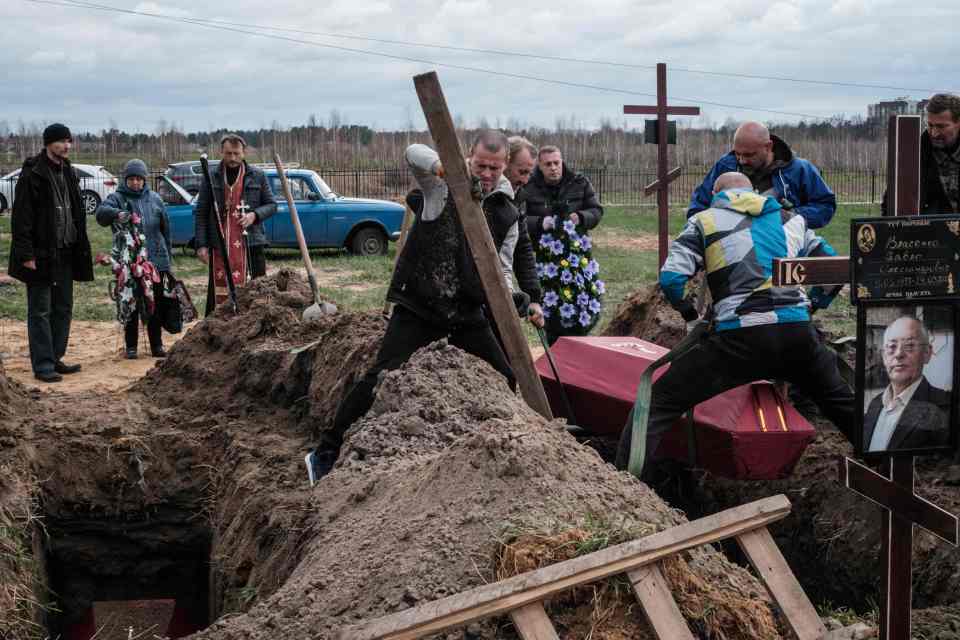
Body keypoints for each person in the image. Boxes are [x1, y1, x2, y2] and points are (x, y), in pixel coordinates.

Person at [306, 130, 539, 484]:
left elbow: (502, 269)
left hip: (465, 313)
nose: (486, 174)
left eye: (494, 167)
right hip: (420, 304)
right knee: (383, 374)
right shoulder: (440, 189)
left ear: (505, 164)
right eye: (480, 165)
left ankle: (494, 454)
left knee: (503, 375)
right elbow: (413, 152)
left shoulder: (507, 212)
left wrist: (513, 296)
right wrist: (445, 170)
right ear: (468, 158)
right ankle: (326, 450)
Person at [616, 172, 854, 477]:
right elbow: (832, 268)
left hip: (739, 340)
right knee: (841, 403)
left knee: (658, 403)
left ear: (717, 193)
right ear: (752, 191)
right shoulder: (791, 219)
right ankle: (888, 460)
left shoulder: (705, 220)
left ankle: (625, 480)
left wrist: (691, 316)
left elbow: (672, 279)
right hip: (797, 336)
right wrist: (814, 306)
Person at [7, 123, 94, 383]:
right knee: (40, 310)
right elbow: (21, 218)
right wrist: (26, 255)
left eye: (69, 141)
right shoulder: (32, 173)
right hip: (41, 254)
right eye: (61, 142)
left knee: (63, 307)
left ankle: (55, 357)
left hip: (66, 252)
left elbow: (76, 210)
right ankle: (43, 365)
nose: (67, 146)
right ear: (48, 143)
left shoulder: (68, 171)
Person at [521, 145, 604, 343]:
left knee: (580, 305)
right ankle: (554, 343)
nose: (553, 168)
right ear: (539, 166)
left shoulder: (579, 182)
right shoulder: (529, 187)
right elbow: (519, 218)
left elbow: (597, 210)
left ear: (562, 161)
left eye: (556, 163)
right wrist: (541, 223)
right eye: (547, 164)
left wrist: (581, 217)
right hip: (545, 258)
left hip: (577, 258)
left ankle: (579, 340)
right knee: (550, 308)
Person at [687, 122, 836, 229]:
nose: (741, 160)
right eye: (737, 153)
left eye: (749, 155)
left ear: (768, 146)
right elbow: (698, 207)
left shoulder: (800, 170)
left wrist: (790, 216)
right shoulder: (726, 166)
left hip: (785, 251)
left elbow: (825, 205)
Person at [96, 159, 173, 359]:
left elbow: (166, 230)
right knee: (131, 302)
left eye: (139, 179)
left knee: (154, 303)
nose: (136, 183)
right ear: (126, 179)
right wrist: (119, 213)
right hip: (129, 262)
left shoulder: (155, 199)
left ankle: (157, 346)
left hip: (156, 261)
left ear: (144, 180)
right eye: (132, 179)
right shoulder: (117, 198)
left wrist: (168, 260)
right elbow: (101, 215)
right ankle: (131, 347)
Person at [194, 133, 277, 312]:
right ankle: (217, 331)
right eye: (228, 153)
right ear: (221, 152)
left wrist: (254, 215)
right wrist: (201, 244)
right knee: (217, 296)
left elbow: (272, 205)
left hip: (251, 243)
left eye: (236, 153)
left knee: (258, 293)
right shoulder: (211, 176)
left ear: (244, 153)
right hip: (219, 244)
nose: (232, 158)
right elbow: (201, 212)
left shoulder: (257, 175)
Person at [863, 316, 950, 452]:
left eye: (909, 346)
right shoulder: (875, 404)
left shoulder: (946, 408)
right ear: (884, 356)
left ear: (927, 353)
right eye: (892, 346)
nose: (898, 354)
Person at [883, 93, 960, 215]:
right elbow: (892, 205)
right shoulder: (914, 156)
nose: (934, 133)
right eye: (930, 125)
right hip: (930, 232)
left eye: (941, 127)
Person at [504, 135, 543, 327]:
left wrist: (534, 297)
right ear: (505, 162)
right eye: (522, 172)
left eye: (529, 173)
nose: (525, 179)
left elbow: (522, 248)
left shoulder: (517, 198)